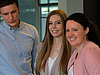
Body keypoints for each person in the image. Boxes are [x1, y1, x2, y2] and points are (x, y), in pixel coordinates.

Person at [0, 0, 39, 75]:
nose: (11, 17)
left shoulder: (32, 31)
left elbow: (36, 62)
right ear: (0, 14)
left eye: (13, 12)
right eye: (6, 14)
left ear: (18, 9)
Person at [34, 10, 71, 75]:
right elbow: (36, 71)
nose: (53, 27)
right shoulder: (41, 47)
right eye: (50, 23)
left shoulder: (72, 48)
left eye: (58, 23)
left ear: (65, 25)